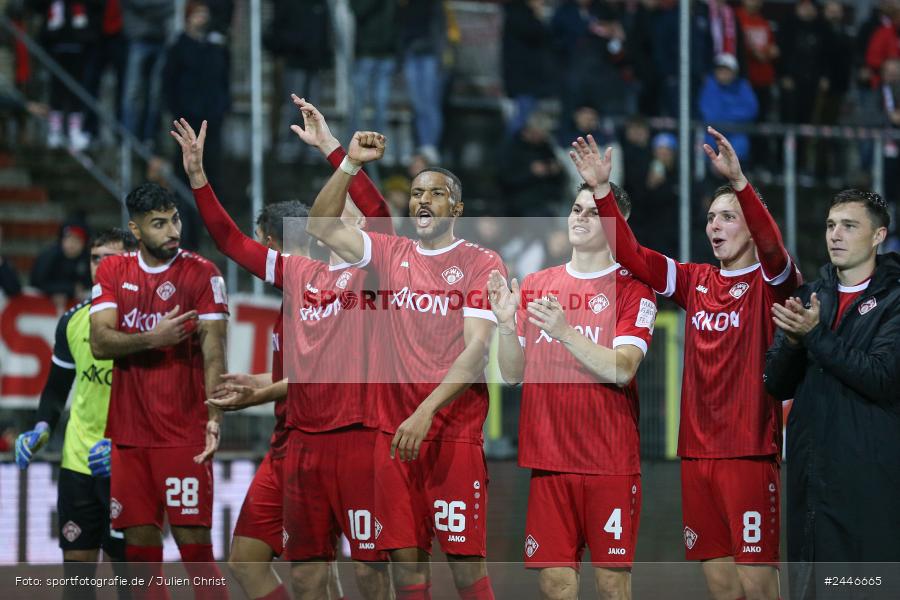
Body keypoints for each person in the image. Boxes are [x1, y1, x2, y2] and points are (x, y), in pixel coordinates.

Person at [171, 98, 393, 600]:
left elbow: (378, 214)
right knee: (307, 576)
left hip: (357, 438)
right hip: (300, 442)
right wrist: (199, 177)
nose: (348, 218)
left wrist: (343, 155)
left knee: (371, 575)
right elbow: (228, 240)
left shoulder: (376, 275)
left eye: (351, 213)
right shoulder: (300, 275)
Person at [573, 128, 800, 600]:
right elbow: (630, 254)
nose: (715, 226)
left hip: (749, 452)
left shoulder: (773, 280)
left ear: (752, 225)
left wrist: (739, 182)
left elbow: (773, 247)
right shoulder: (694, 280)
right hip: (696, 453)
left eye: (728, 218)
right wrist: (600, 191)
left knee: (758, 586)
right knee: (722, 588)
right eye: (711, 218)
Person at [306, 130, 504, 599]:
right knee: (406, 566)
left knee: (465, 568)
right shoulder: (390, 253)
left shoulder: (481, 261)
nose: (424, 200)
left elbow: (476, 350)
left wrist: (425, 411)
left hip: (451, 431)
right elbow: (319, 226)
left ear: (456, 208)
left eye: (437, 193)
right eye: (417, 193)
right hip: (391, 433)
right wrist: (349, 164)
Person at [488, 178, 656, 599]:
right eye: (576, 209)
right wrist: (507, 326)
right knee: (555, 583)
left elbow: (623, 369)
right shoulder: (536, 283)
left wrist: (564, 332)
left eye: (593, 212)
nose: (580, 217)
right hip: (549, 460)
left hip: (609, 461)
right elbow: (512, 374)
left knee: (612, 584)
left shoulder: (634, 288)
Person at [89, 182, 230, 600]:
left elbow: (214, 354)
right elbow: (100, 342)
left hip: (183, 434)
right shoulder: (113, 271)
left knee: (196, 553)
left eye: (175, 219)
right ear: (135, 229)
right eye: (159, 223)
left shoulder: (204, 273)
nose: (172, 230)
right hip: (130, 438)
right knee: (140, 555)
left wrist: (214, 419)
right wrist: (154, 338)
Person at [764, 190, 900, 600]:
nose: (835, 235)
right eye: (830, 225)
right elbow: (775, 383)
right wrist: (791, 343)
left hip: (869, 485)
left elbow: (881, 377)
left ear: (878, 236)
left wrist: (814, 336)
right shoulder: (810, 297)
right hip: (810, 482)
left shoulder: (894, 301)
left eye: (849, 225)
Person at [15, 228, 136, 600]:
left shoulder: (148, 326)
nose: (101, 267)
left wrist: (122, 445)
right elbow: (56, 388)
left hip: (128, 464)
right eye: (96, 258)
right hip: (79, 462)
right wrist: (41, 427)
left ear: (132, 263)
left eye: (111, 258)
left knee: (130, 580)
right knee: (78, 581)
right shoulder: (73, 321)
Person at [30, 220, 92, 310]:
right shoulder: (50, 256)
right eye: (69, 239)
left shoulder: (86, 259)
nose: (72, 244)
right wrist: (67, 289)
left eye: (77, 240)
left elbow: (88, 282)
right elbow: (37, 281)